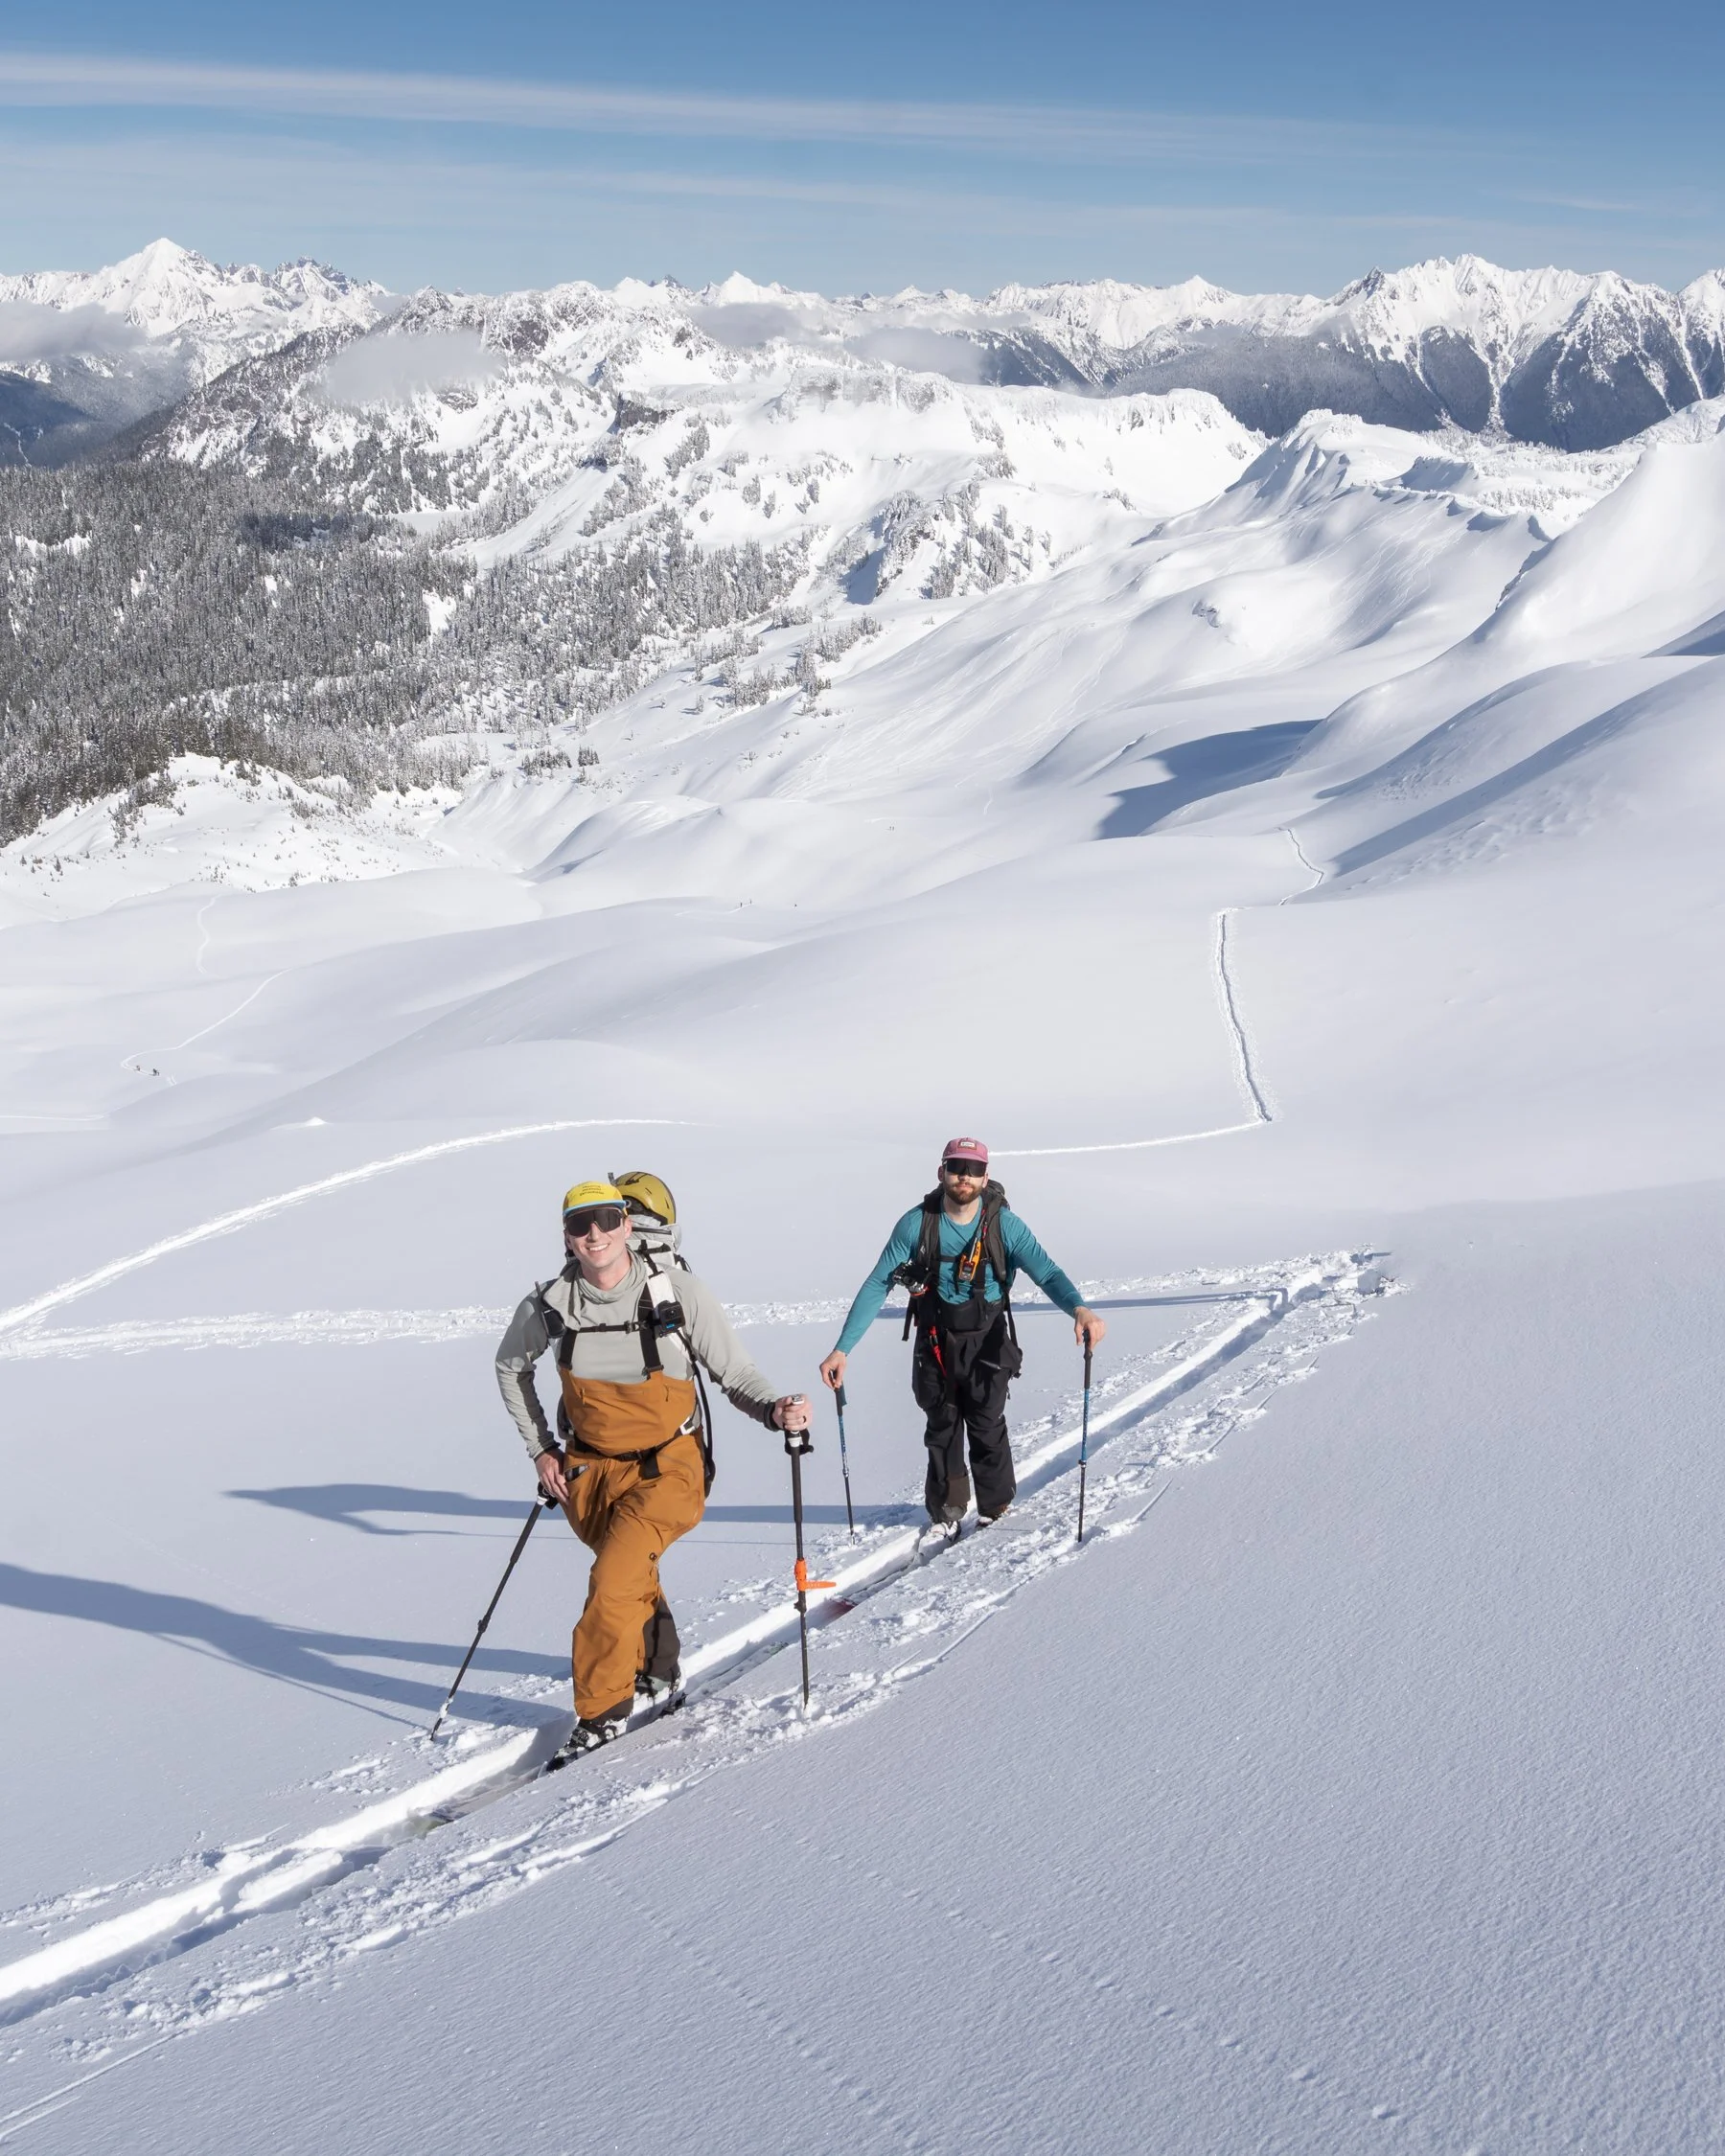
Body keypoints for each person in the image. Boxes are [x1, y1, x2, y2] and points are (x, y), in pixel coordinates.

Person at [496, 1179, 812, 1766]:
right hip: (588, 1473)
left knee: (613, 1582)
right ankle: (661, 1672)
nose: (595, 1235)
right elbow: (510, 1368)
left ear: (627, 1226)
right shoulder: (547, 1306)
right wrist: (541, 1448)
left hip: (671, 1467)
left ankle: (601, 1714)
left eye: (607, 1220)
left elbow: (733, 1370)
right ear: (566, 1236)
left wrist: (774, 1409)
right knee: (629, 1570)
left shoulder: (674, 1291)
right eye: (580, 1224)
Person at [818, 1138, 1104, 1526]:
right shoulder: (916, 1223)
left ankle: (996, 1506)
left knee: (986, 1421)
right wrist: (842, 1349)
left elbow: (1048, 1273)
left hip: (987, 1337)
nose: (963, 1176)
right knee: (942, 1423)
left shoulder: (1005, 1226)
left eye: (972, 1169)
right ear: (942, 1173)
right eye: (956, 1167)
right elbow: (876, 1284)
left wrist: (1080, 1308)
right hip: (934, 1339)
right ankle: (947, 1510)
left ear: (986, 1177)